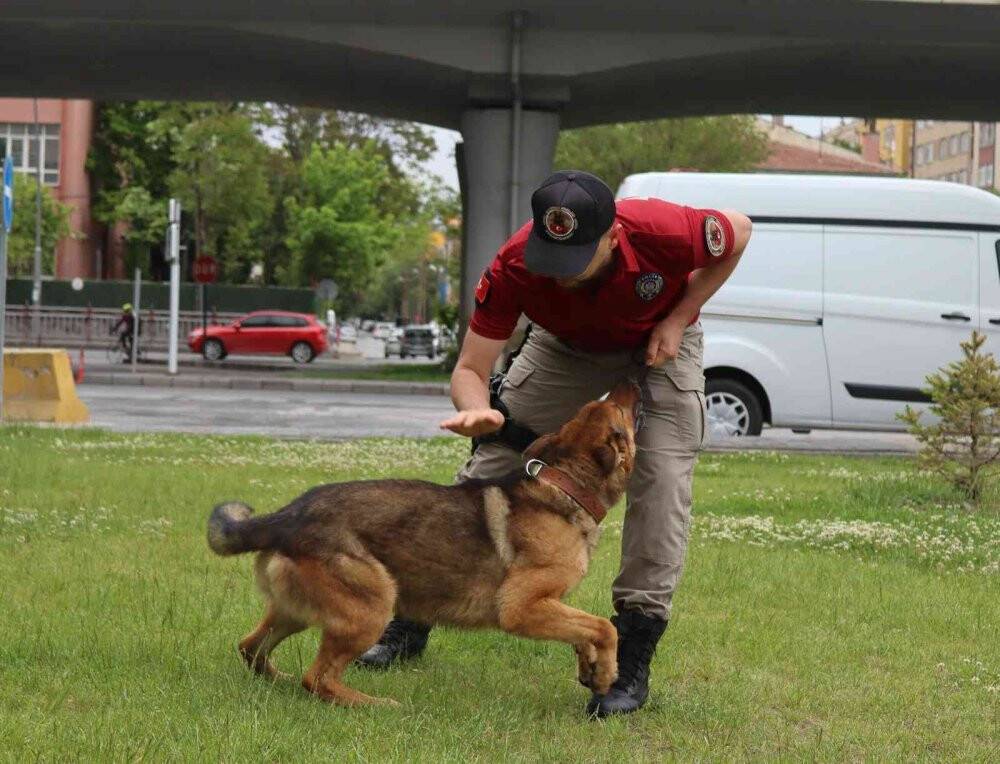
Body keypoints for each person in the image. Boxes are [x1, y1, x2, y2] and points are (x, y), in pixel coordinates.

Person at [358, 170, 752, 718]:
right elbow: (470, 368)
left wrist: (679, 317)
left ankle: (630, 655)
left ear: (614, 236)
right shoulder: (516, 262)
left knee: (660, 481)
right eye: (552, 259)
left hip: (661, 337)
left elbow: (740, 229)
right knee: (494, 456)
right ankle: (412, 620)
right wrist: (475, 407)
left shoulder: (663, 229)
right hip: (565, 347)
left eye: (575, 262)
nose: (559, 275)